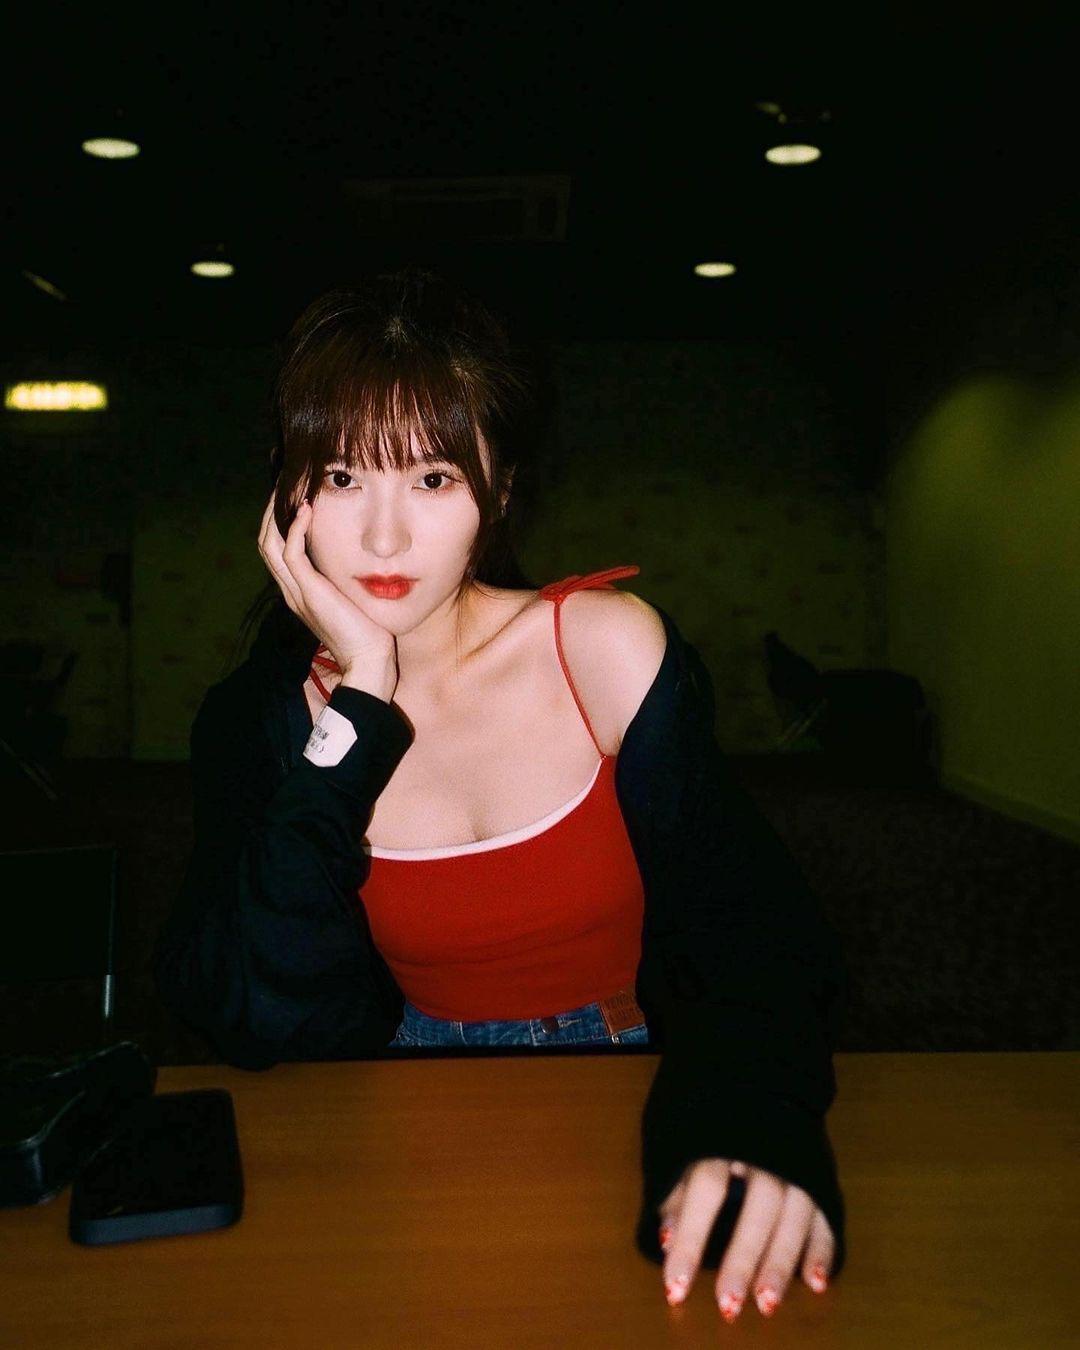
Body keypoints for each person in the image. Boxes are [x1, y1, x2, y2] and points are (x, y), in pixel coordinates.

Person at [152, 266, 850, 1323]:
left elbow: (751, 932)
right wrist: (357, 711)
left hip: (644, 1080)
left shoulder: (603, 649)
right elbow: (251, 1014)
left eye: (433, 478)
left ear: (502, 489)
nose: (384, 538)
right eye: (343, 477)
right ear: (288, 497)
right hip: (389, 1107)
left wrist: (748, 1122)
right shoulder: (263, 720)